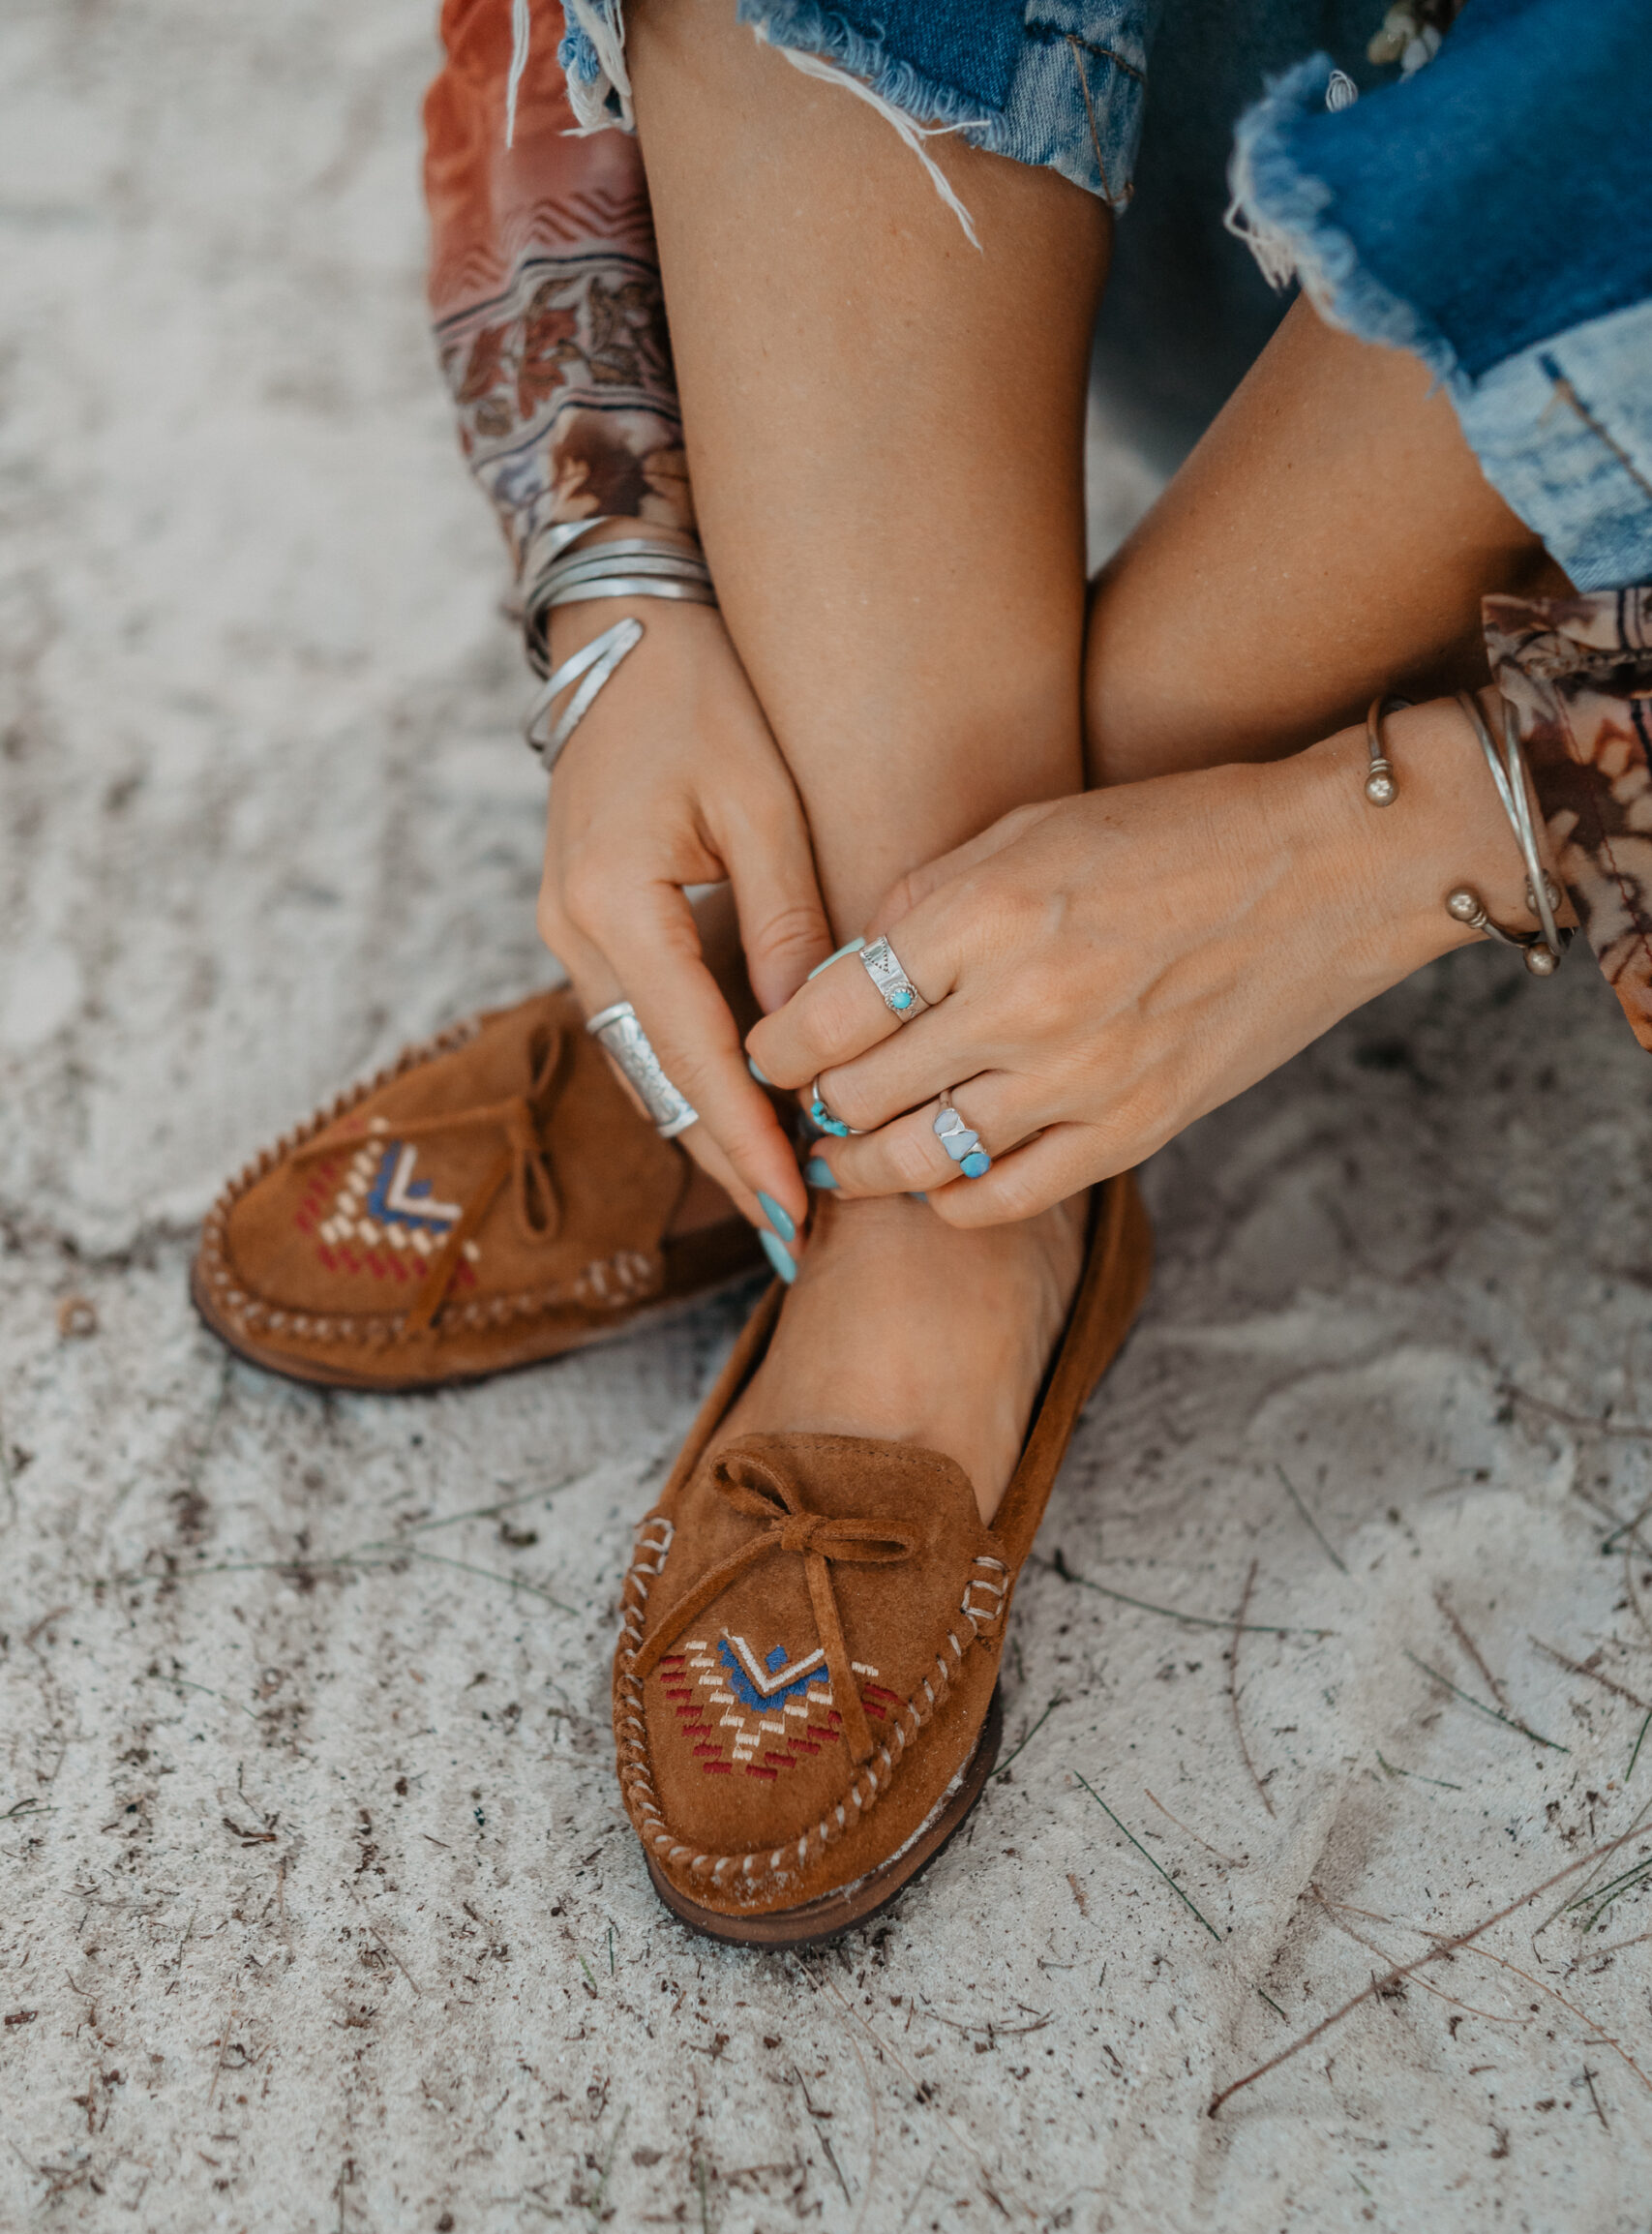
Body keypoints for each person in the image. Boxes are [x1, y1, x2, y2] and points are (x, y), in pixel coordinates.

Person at [194, 0, 1652, 1945]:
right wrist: (610, 569)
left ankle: (892, 1110)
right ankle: (937, 1046)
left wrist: (1409, 835)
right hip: (1135, 184)